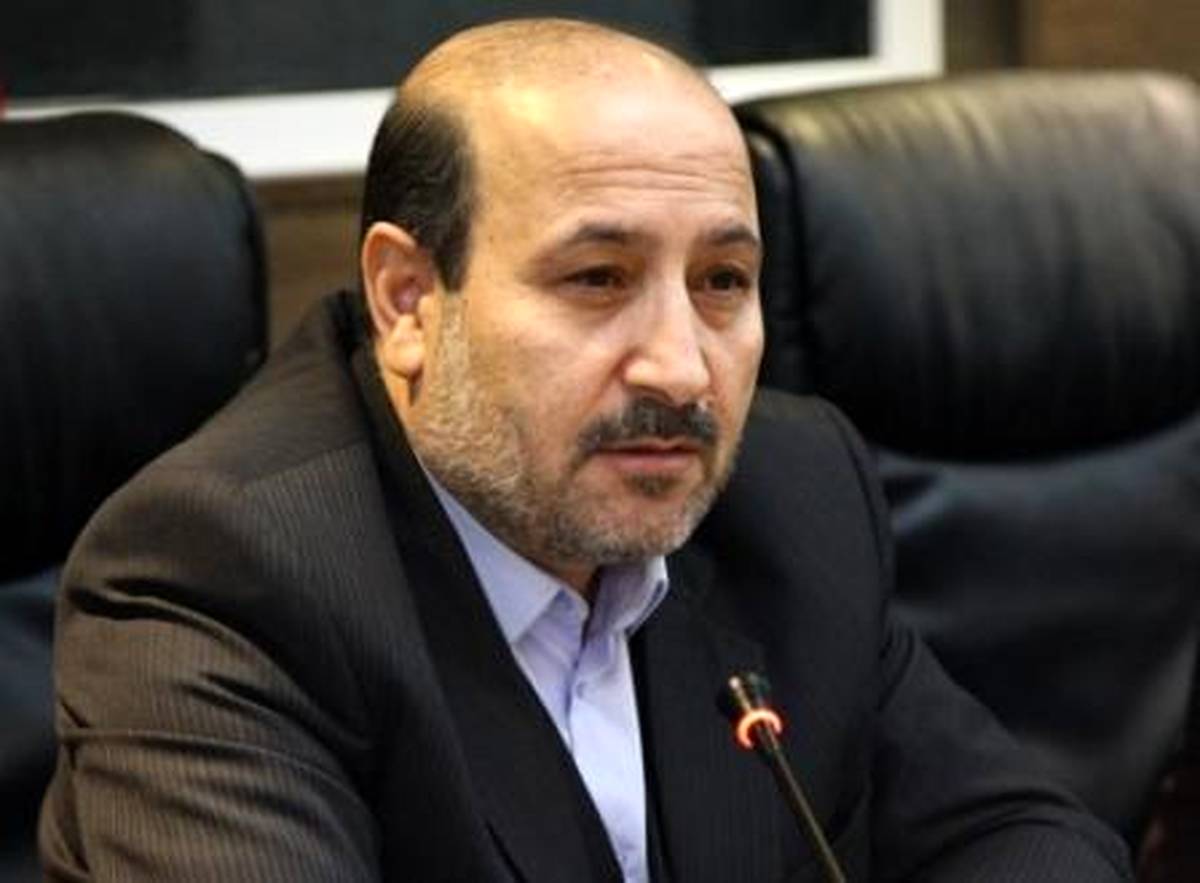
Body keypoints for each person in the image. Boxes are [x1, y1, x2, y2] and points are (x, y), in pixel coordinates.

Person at [40, 18, 1131, 882]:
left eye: (722, 282)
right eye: (598, 278)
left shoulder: (794, 492)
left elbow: (1026, 838)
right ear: (409, 299)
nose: (682, 369)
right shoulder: (221, 574)